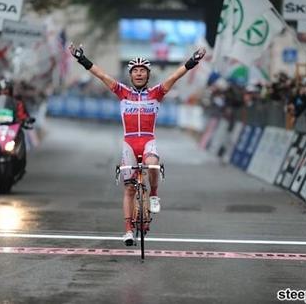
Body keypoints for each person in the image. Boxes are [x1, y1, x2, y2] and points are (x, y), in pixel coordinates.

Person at [69, 43, 206, 246]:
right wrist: (81, 58)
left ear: (148, 75)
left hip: (148, 140)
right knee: (129, 189)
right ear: (131, 75)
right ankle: (128, 230)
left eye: (143, 71)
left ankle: (154, 195)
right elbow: (102, 75)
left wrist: (193, 60)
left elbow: (175, 76)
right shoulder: (123, 92)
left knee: (152, 164)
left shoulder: (156, 93)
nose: (139, 74)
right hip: (129, 143)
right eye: (135, 71)